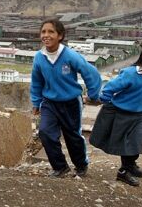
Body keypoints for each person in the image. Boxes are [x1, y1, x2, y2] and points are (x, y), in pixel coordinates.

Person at [89, 40, 142, 186]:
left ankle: (130, 165)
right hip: (121, 113)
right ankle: (124, 172)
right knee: (125, 144)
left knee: (137, 142)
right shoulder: (130, 74)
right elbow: (109, 88)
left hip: (140, 115)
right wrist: (106, 101)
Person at [31, 19, 102, 178]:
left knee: (73, 136)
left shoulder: (70, 56)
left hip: (71, 102)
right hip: (49, 102)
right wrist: (36, 102)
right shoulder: (39, 57)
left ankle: (81, 165)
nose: (46, 35)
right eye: (43, 32)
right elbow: (37, 81)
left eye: (51, 32)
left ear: (60, 36)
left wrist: (93, 94)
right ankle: (60, 167)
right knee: (45, 133)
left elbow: (91, 73)